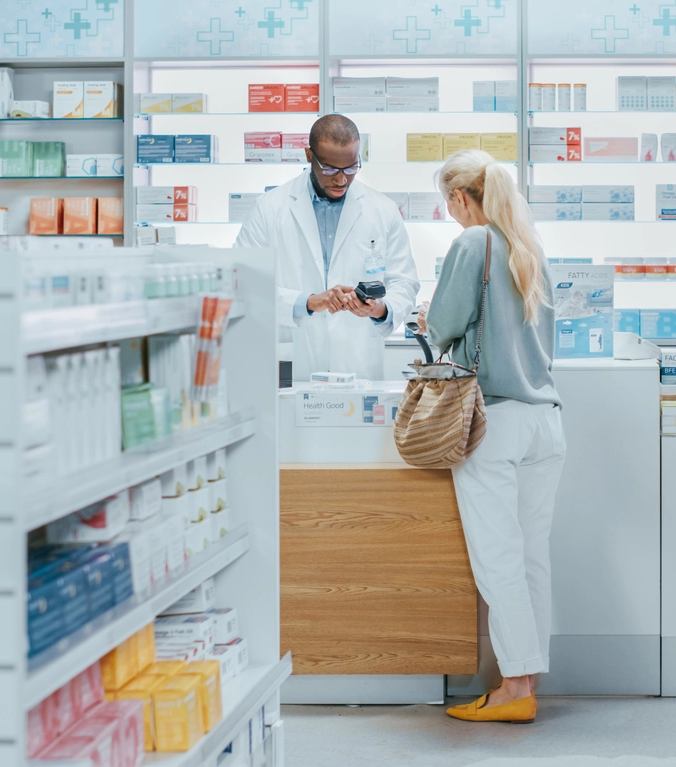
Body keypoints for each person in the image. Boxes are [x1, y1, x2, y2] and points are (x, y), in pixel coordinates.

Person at [421, 150, 565, 725]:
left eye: (447, 203)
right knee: (531, 556)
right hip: (546, 421)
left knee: (498, 559)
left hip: (494, 419)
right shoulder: (528, 246)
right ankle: (528, 677)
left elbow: (440, 327)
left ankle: (514, 688)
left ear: (460, 199)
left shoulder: (472, 243)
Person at [235, 114, 418, 381]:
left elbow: (404, 282)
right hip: (296, 361)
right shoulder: (270, 208)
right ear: (309, 156)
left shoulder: (382, 210)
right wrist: (307, 302)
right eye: (331, 169)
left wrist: (379, 309)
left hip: (358, 362)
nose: (342, 180)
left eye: (351, 168)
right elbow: (244, 281)